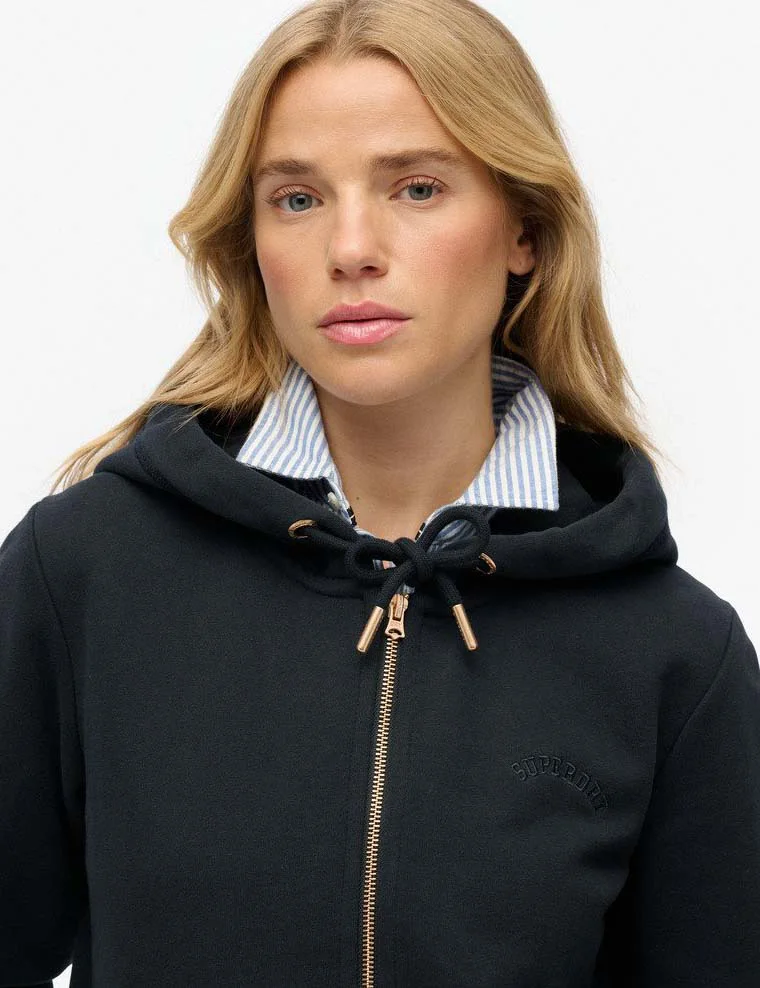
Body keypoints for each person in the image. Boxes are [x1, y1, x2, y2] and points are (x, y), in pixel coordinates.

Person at [1, 0, 758, 985]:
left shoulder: (674, 657)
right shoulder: (84, 575)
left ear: (524, 229)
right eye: (297, 199)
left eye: (417, 187)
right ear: (251, 241)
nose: (350, 246)